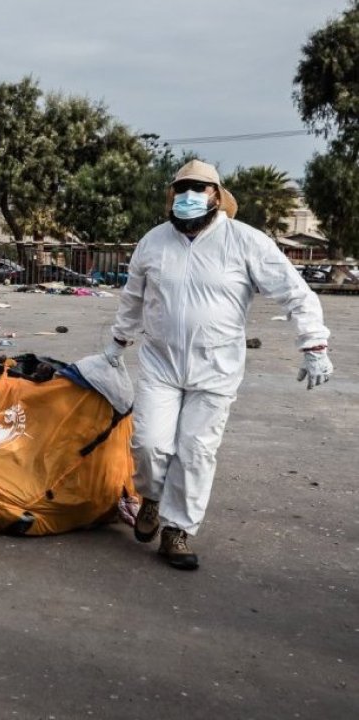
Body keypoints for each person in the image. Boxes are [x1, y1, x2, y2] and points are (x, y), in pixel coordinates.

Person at [106, 159, 332, 570]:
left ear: (216, 195)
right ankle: (151, 498)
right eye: (183, 188)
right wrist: (117, 341)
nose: (190, 195)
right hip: (160, 362)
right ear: (172, 195)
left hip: (217, 367)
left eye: (200, 188)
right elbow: (133, 297)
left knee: (196, 450)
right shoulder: (153, 242)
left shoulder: (246, 242)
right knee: (149, 444)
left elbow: (295, 292)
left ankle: (177, 531)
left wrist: (313, 343)